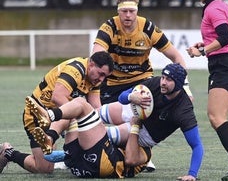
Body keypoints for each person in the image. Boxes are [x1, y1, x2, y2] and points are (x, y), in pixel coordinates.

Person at [24, 63, 204, 180]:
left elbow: (197, 145)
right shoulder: (155, 83)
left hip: (132, 138)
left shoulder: (183, 111)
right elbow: (123, 97)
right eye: (163, 77)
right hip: (131, 115)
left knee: (83, 109)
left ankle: (53, 125)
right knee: (91, 113)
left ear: (179, 84)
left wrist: (192, 174)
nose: (163, 82)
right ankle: (50, 132)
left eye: (169, 80)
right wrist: (131, 96)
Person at [0, 51, 114, 174]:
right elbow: (58, 97)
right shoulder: (75, 69)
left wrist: (103, 132)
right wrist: (79, 119)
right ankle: (8, 152)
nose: (102, 79)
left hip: (58, 116)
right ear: (91, 64)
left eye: (105, 76)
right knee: (44, 169)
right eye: (101, 74)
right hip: (37, 114)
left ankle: (54, 142)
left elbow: (96, 108)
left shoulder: (94, 80)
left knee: (78, 117)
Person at [186, 0, 228, 181]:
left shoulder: (213, 8)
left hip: (224, 66)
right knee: (217, 117)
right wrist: (207, 44)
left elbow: (224, 38)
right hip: (224, 65)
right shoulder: (220, 5)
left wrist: (201, 50)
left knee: (217, 117)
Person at [92, 0, 193, 105]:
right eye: (124, 11)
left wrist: (185, 87)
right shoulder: (109, 27)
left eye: (132, 11)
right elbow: (97, 57)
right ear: (118, 11)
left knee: (154, 107)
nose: (128, 15)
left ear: (137, 11)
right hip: (112, 82)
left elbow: (176, 57)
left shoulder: (148, 29)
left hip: (142, 80)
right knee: (101, 114)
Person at [27, 96, 151, 178]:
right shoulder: (133, 134)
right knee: (74, 109)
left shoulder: (146, 151)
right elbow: (110, 134)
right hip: (80, 164)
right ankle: (49, 137)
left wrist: (135, 128)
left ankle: (49, 116)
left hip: (103, 164)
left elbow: (130, 159)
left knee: (81, 104)